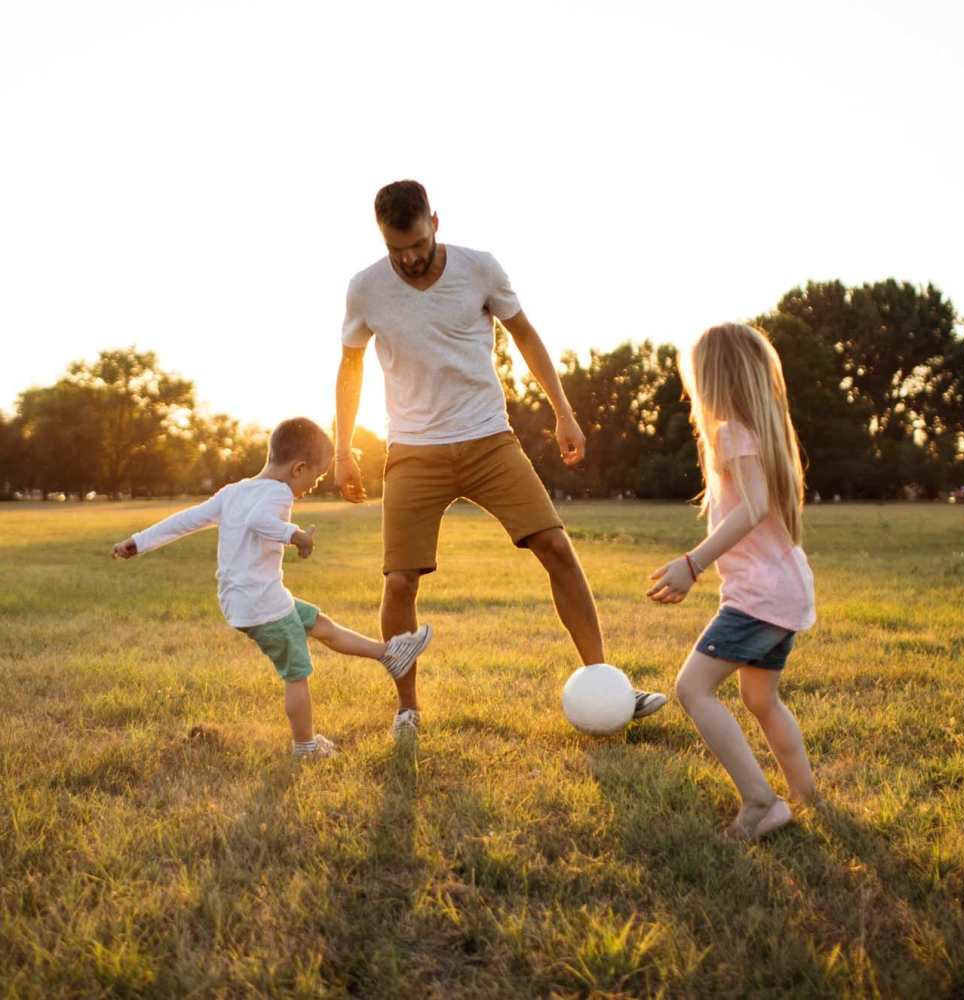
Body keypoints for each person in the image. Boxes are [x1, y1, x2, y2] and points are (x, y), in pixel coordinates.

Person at [336, 179, 666, 738]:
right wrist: (342, 447)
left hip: (489, 438)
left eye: (417, 243)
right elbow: (350, 366)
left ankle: (606, 682)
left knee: (556, 547)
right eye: (398, 250)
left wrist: (563, 410)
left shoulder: (479, 268)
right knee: (398, 583)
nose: (410, 258)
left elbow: (526, 336)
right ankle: (407, 708)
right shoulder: (366, 288)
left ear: (435, 222)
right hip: (414, 450)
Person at [111, 417, 432, 757]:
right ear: (298, 468)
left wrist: (139, 542)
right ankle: (305, 746)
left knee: (319, 623)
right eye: (316, 476)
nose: (313, 484)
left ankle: (389, 655)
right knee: (297, 673)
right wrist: (296, 536)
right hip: (264, 605)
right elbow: (260, 522)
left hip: (247, 601)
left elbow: (187, 520)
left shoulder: (233, 492)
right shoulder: (278, 493)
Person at [647, 324, 817, 839]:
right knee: (761, 700)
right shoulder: (759, 433)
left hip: (760, 598)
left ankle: (761, 803)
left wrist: (692, 564)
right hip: (784, 591)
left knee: (692, 688)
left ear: (712, 380)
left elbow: (753, 509)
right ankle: (808, 797)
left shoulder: (732, 434)